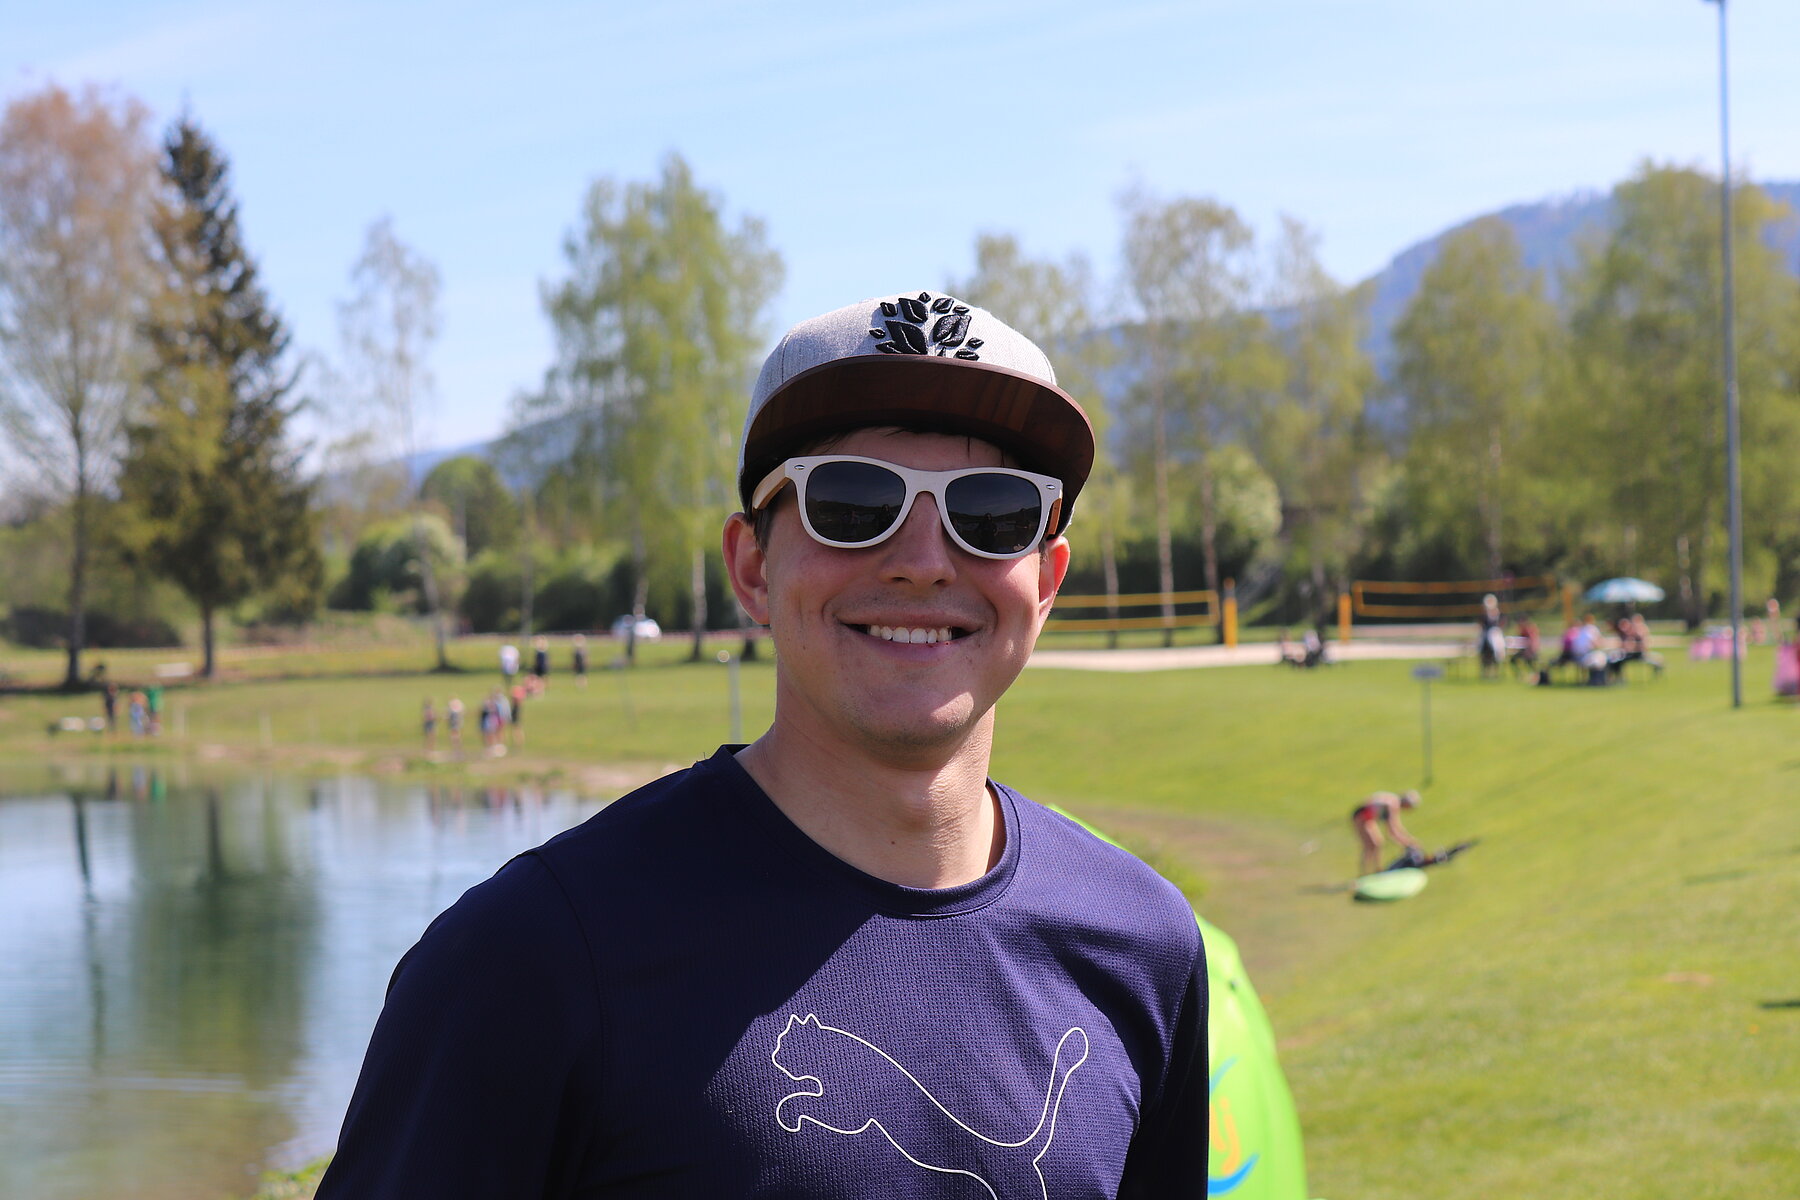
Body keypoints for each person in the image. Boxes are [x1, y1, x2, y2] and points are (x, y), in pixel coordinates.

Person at [317, 290, 1208, 1198]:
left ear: (1046, 580)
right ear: (752, 568)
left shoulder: (1144, 946)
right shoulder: (528, 960)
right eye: (853, 502)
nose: (924, 561)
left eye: (992, 513)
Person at [1351, 789, 1424, 877]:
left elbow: (1396, 827)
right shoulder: (1392, 805)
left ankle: (1376, 870)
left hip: (1367, 817)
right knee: (1371, 845)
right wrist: (1408, 843)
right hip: (1361, 817)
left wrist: (1408, 840)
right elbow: (1392, 831)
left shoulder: (1393, 801)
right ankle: (1366, 873)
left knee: (1378, 843)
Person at [1476, 593, 1504, 679]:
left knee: (1498, 649)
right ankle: (1485, 672)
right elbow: (1481, 625)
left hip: (1495, 634)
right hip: (1486, 634)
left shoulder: (1498, 613)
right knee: (1482, 649)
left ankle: (1496, 670)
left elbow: (1501, 624)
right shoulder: (1484, 614)